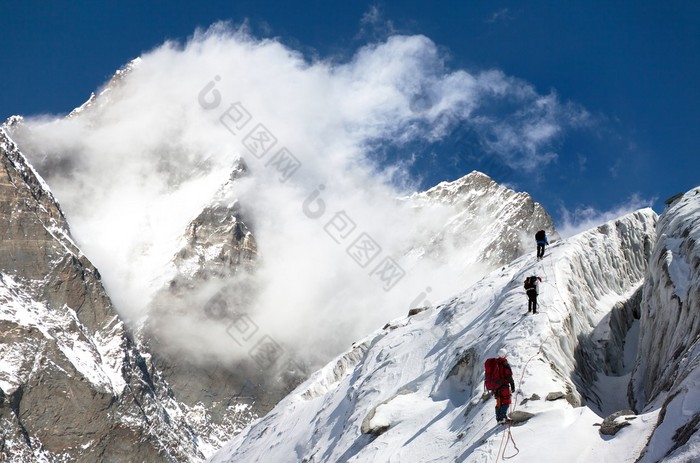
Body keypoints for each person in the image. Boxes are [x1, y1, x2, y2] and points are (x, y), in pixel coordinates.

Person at [494, 349, 515, 424]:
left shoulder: (495, 364)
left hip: (496, 387)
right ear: (505, 355)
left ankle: (498, 418)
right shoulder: (505, 364)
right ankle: (502, 418)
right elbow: (509, 376)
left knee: (499, 402)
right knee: (506, 401)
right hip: (504, 386)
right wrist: (512, 385)